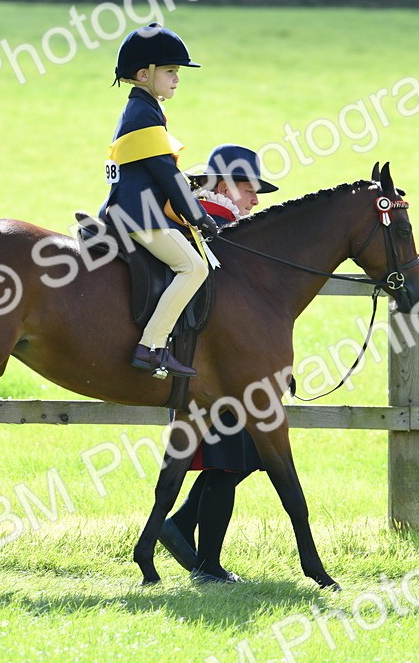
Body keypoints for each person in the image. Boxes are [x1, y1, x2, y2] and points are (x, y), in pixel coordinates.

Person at [157, 144, 279, 584]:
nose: (256, 199)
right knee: (226, 464)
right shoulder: (215, 227)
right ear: (225, 185)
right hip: (214, 370)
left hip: (225, 368)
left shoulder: (216, 224)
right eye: (250, 189)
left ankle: (179, 527)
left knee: (239, 459)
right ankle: (207, 566)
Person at [100, 23, 219, 379]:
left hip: (139, 212)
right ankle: (151, 346)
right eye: (170, 71)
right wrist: (199, 216)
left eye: (177, 72)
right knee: (193, 268)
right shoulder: (142, 114)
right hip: (139, 217)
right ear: (143, 74)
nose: (177, 79)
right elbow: (166, 173)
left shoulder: (145, 109)